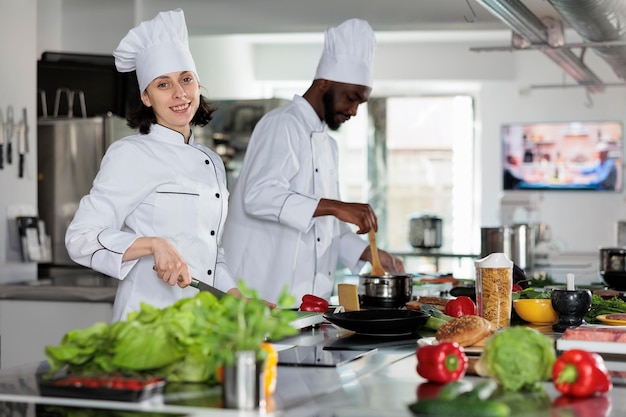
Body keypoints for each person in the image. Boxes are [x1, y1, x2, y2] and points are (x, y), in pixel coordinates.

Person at [65, 9, 241, 322]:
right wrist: (152, 245)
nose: (179, 93)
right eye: (163, 85)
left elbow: (211, 252)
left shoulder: (212, 162)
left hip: (199, 324)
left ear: (197, 84)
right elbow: (81, 238)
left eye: (186, 79)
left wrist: (242, 301)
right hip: (147, 320)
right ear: (146, 97)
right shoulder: (131, 154)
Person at [222, 18, 405, 305]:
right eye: (351, 98)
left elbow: (327, 227)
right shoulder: (282, 123)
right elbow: (259, 195)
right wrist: (337, 206)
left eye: (360, 103)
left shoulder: (328, 145)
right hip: (259, 295)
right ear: (324, 83)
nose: (354, 110)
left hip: (304, 303)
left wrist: (368, 253)